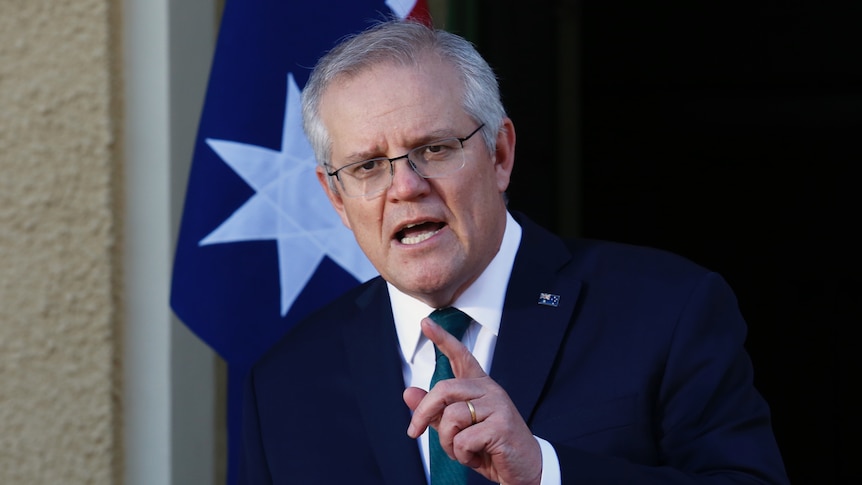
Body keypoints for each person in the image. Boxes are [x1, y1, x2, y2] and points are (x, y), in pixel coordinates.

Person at [239, 19, 788, 484]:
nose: (405, 186)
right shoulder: (284, 384)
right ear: (336, 197)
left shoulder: (667, 311)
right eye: (367, 167)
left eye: (434, 148)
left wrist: (545, 470)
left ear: (499, 154)